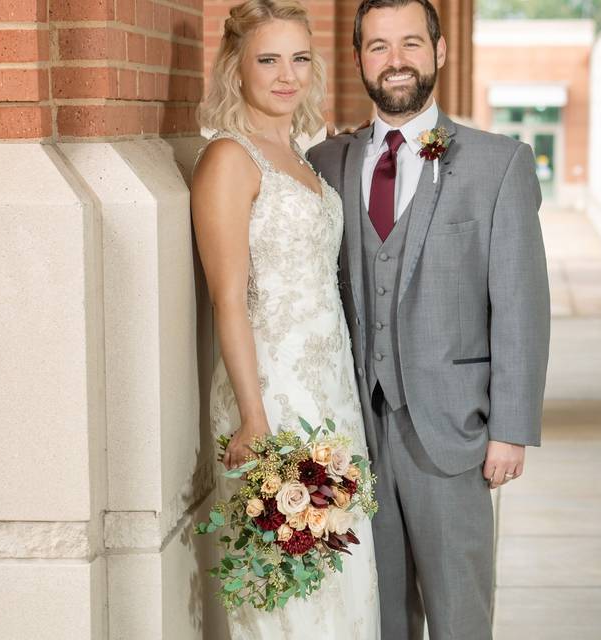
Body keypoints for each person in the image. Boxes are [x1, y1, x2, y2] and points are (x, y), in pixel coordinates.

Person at [307, 0, 551, 638]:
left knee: (459, 611)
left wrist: (512, 428)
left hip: (453, 430)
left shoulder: (500, 164)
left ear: (440, 53)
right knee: (377, 612)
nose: (396, 61)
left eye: (411, 44)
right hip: (354, 433)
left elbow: (521, 304)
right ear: (359, 58)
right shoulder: (327, 163)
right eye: (379, 46)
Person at [190, 0, 380, 637]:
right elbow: (228, 299)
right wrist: (254, 416)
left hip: (331, 397)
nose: (286, 74)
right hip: (270, 393)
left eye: (299, 58)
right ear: (235, 68)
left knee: (340, 571)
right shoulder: (229, 160)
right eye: (268, 59)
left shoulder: (302, 155)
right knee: (287, 589)